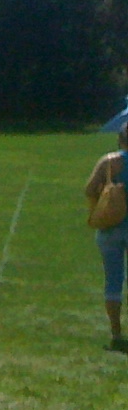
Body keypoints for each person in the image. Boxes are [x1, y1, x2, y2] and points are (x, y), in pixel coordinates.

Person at [85, 125, 128, 350]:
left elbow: (90, 189)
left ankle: (117, 334)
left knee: (113, 281)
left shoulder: (109, 161)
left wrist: (100, 207)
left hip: (110, 228)